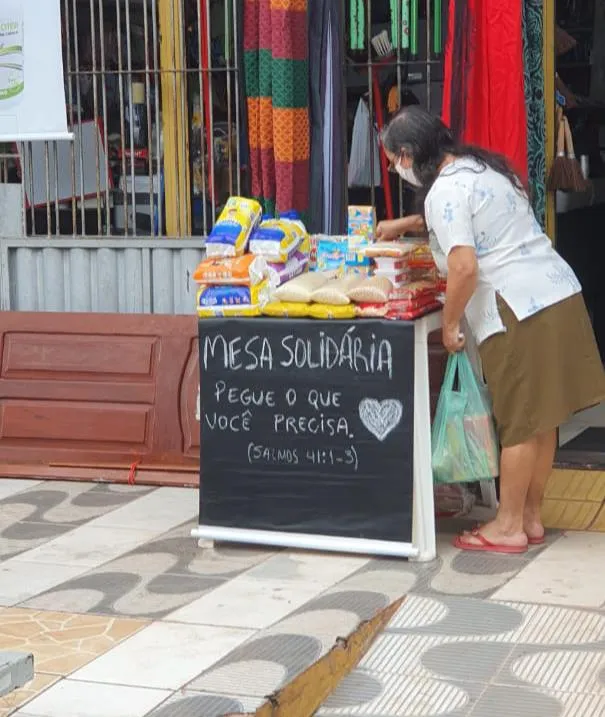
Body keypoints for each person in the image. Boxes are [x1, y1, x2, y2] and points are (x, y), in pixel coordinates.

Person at [380, 105, 605, 554]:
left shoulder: (442, 192)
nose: (392, 169)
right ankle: (529, 517)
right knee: (543, 417)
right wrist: (406, 224)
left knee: (519, 422)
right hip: (556, 292)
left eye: (392, 160)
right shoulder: (483, 167)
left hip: (516, 308)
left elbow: (463, 268)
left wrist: (448, 326)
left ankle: (506, 527)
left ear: (408, 155)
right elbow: (472, 219)